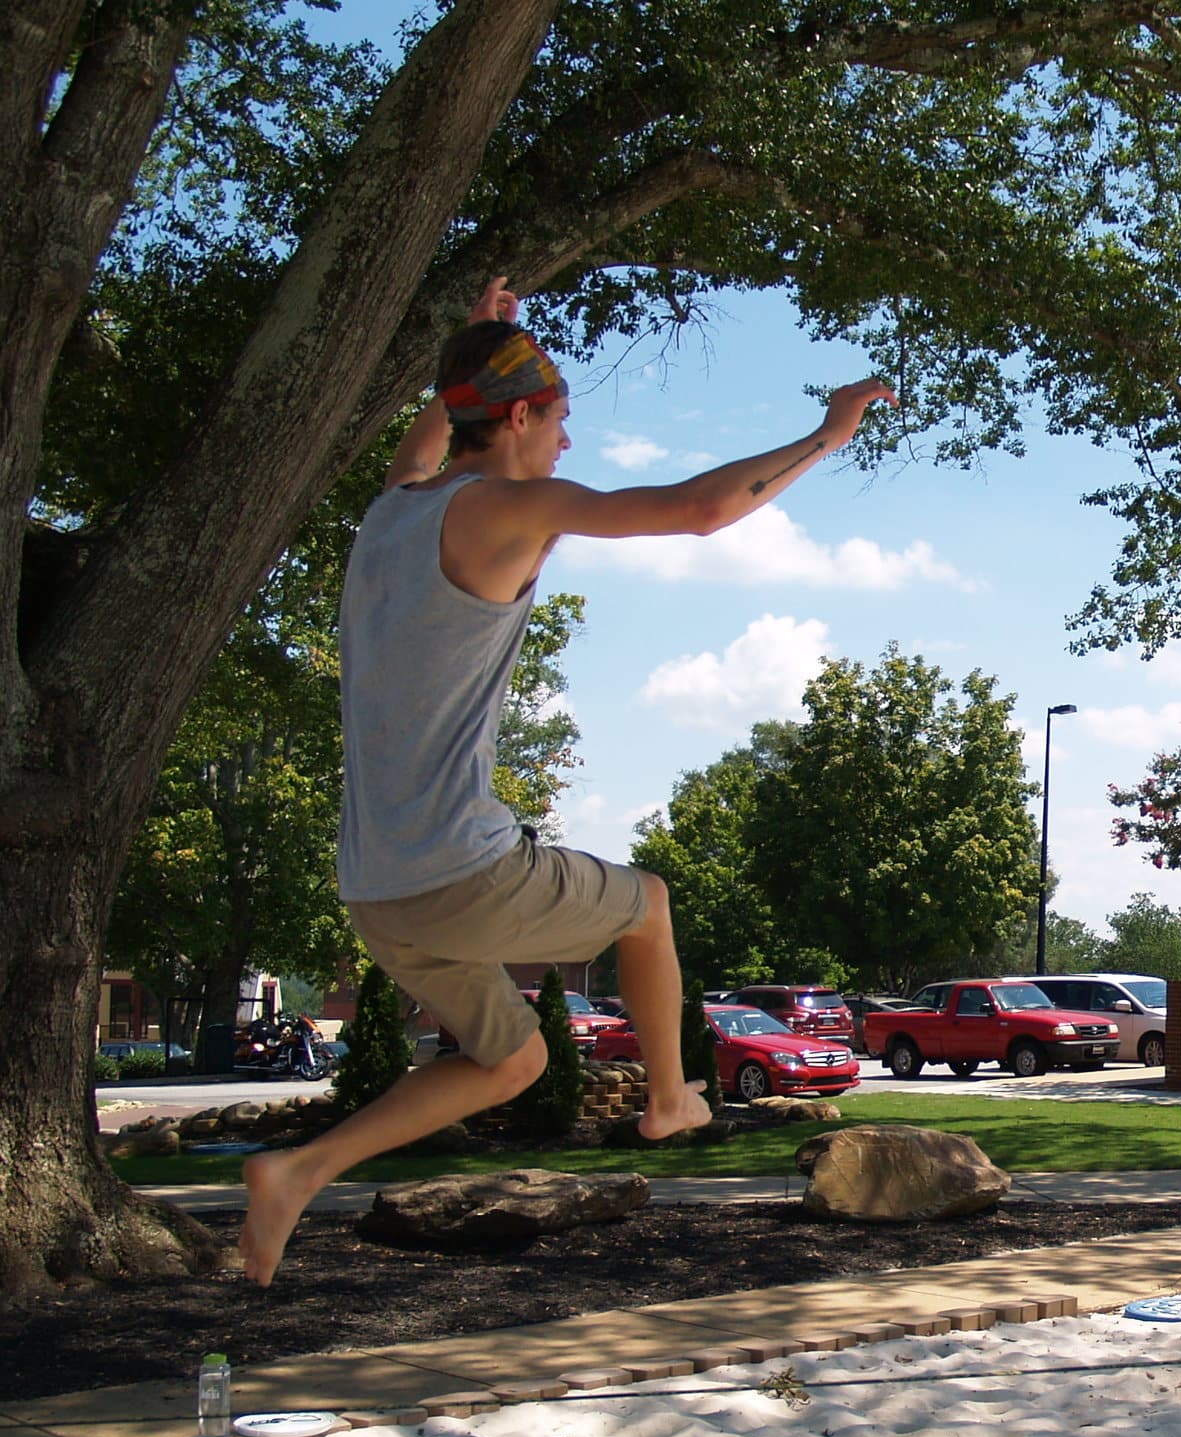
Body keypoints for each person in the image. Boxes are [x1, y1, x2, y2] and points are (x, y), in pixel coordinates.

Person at [240, 277, 896, 1285]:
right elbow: (699, 510)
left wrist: (480, 341)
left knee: (514, 1060)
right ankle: (675, 1099)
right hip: (461, 871)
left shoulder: (392, 508)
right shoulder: (508, 507)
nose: (566, 446)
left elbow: (432, 432)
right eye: (558, 420)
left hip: (378, 893)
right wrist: (825, 435)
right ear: (515, 418)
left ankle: (296, 1173)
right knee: (650, 906)